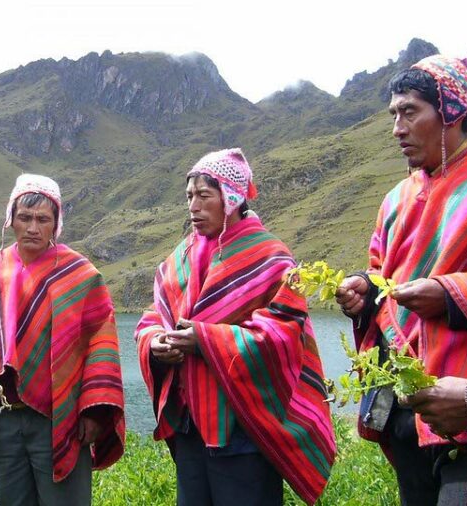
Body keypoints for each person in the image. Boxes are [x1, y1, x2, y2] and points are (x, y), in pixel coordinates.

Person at [135, 148, 336, 506]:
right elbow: (154, 315)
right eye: (189, 197)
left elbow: (281, 334)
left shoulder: (271, 257)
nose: (193, 207)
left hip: (245, 427)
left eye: (204, 196)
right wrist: (155, 342)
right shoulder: (179, 258)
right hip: (190, 426)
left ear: (231, 198)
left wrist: (204, 339)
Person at [336, 54, 467, 505]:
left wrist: (450, 293)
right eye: (393, 115)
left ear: (453, 111)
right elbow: (384, 271)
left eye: (409, 112)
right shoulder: (396, 199)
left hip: (465, 401)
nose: (397, 128)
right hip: (405, 406)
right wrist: (365, 289)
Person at [0, 173, 125, 506]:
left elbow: (100, 343)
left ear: (55, 224)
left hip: (60, 419)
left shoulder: (80, 276)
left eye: (43, 219)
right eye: (24, 218)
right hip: (2, 418)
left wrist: (94, 412)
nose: (33, 227)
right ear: (11, 220)